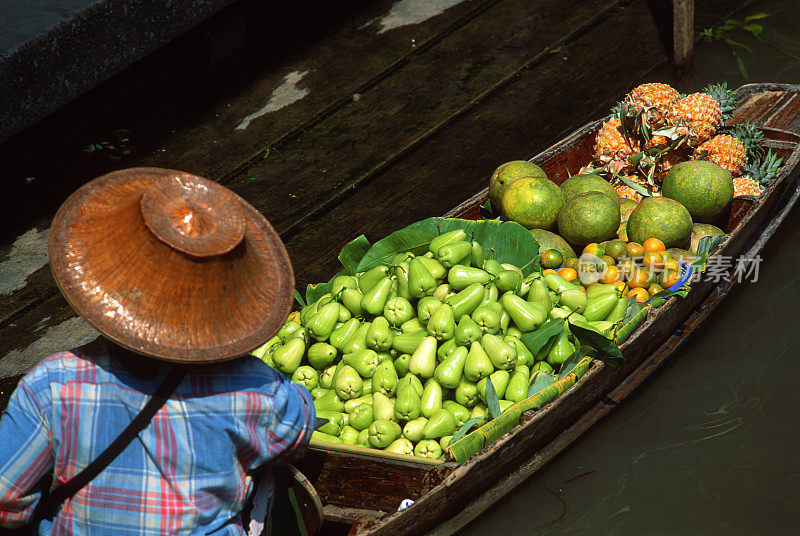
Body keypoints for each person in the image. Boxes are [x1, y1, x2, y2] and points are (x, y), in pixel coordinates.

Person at [0, 168, 315, 535]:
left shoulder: (52, 384)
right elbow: (298, 428)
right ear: (226, 305)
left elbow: (6, 502)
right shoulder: (255, 389)